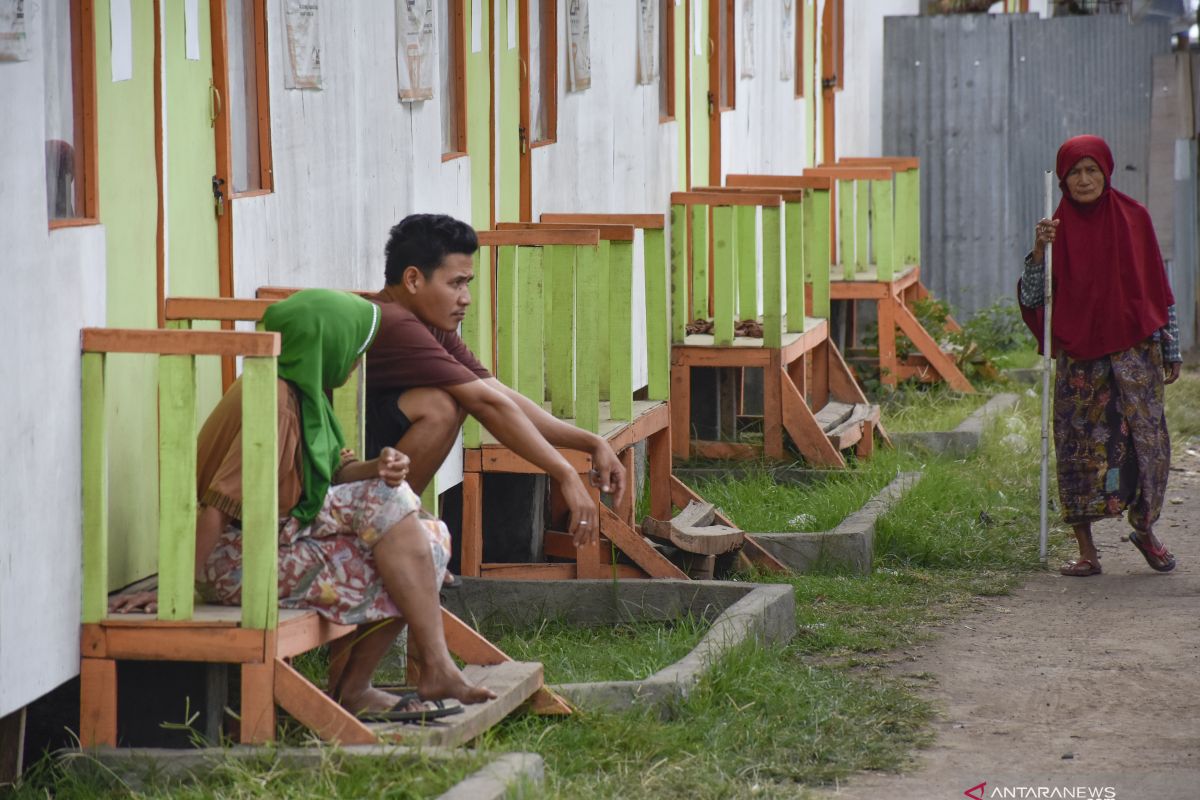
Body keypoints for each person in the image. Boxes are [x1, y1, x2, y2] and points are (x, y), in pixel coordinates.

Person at [112, 289, 495, 720]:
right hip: (234, 561)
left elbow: (334, 471)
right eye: (351, 351)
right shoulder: (271, 403)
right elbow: (217, 508)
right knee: (412, 549)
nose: (354, 363)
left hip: (276, 538)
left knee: (428, 534)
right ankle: (399, 676)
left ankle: (391, 679)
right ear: (323, 346)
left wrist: (377, 467)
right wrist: (172, 586)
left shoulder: (300, 389)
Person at [364, 213, 626, 550]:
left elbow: (496, 392)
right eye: (455, 283)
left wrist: (591, 443)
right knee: (444, 404)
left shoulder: (429, 325)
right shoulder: (396, 323)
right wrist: (564, 473)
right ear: (413, 279)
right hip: (336, 464)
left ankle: (397, 516)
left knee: (456, 396)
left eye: (467, 283)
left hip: (371, 456)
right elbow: (487, 404)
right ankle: (387, 522)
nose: (466, 298)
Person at [1019, 135, 1182, 578]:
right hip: (1081, 363)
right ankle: (1087, 550)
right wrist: (1039, 251)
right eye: (1075, 172)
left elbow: (1159, 289)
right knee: (1079, 451)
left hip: (1135, 356)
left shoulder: (1135, 218)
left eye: (1092, 170)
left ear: (1107, 172)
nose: (1085, 179)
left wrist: (1171, 346)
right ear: (1063, 180)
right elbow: (1036, 298)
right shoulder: (1054, 230)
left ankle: (1145, 530)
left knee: (1147, 447)